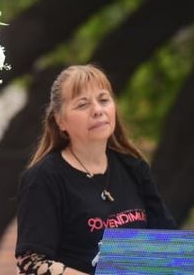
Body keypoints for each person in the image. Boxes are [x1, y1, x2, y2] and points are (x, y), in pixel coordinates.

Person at [15, 64, 175, 274]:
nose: (97, 110)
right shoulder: (43, 178)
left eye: (103, 100)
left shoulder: (134, 168)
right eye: (83, 104)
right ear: (60, 120)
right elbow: (30, 264)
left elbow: (169, 245)